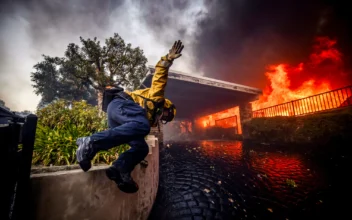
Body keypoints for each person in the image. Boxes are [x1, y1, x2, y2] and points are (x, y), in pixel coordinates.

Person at [76, 40, 184, 193]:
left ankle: (119, 169)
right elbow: (160, 76)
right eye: (165, 116)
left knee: (141, 148)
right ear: (167, 107)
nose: (162, 119)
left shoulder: (149, 114)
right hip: (121, 104)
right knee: (143, 126)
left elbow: (132, 129)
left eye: (164, 120)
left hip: (118, 115)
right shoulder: (157, 98)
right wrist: (168, 59)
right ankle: (90, 142)